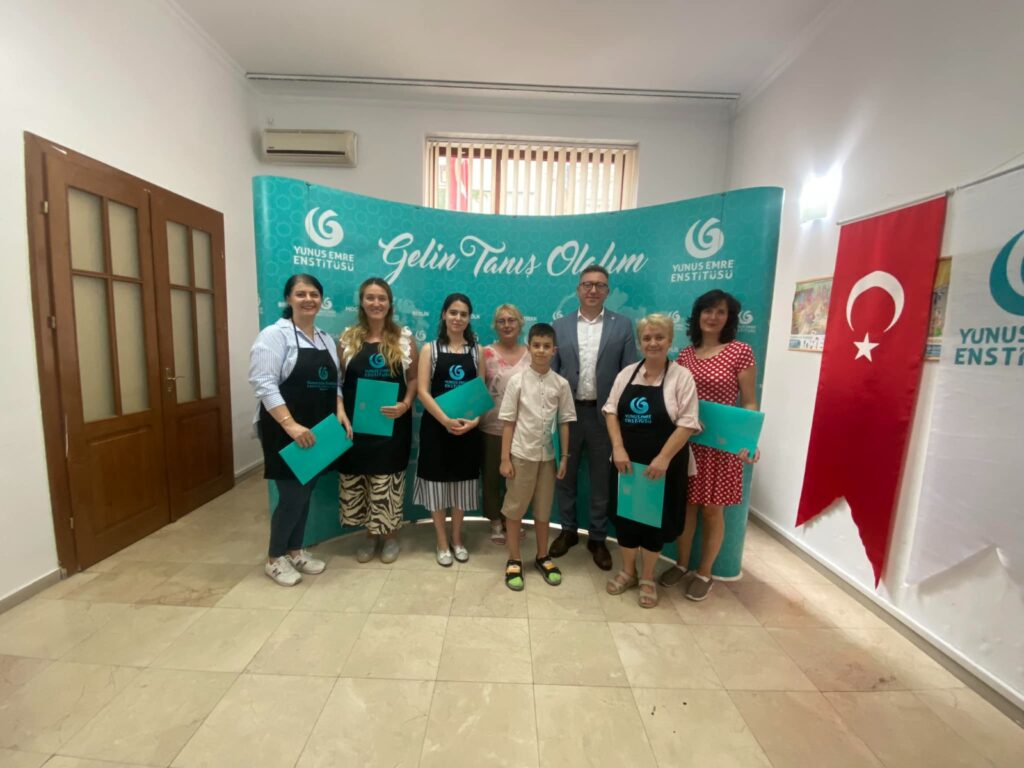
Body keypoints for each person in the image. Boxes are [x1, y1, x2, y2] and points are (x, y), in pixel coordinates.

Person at [249, 274, 353, 587]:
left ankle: (295, 550)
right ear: (289, 299)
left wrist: (340, 411)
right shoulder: (274, 335)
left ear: (321, 300)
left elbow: (335, 383)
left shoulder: (325, 339)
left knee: (305, 494)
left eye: (314, 294)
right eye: (301, 294)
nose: (308, 299)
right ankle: (274, 558)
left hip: (318, 430)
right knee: (292, 496)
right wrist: (290, 425)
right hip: (284, 430)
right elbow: (263, 383)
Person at [660, 289, 760, 601]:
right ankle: (681, 564)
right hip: (687, 443)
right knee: (686, 508)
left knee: (712, 512)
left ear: (729, 318)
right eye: (707, 311)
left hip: (721, 448)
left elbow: (749, 402)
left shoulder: (740, 352)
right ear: (698, 315)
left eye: (720, 312)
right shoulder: (685, 355)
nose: (713, 317)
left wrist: (749, 441)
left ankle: (705, 572)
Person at [603, 314, 700, 607]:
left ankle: (647, 577)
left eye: (659, 337)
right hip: (627, 464)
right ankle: (628, 571)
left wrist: (663, 458)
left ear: (670, 341)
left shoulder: (682, 377)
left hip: (664, 467)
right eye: (647, 338)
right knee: (627, 521)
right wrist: (618, 448)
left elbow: (688, 423)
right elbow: (611, 411)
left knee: (654, 525)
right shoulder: (626, 374)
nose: (653, 343)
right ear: (640, 342)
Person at [549, 265, 639, 570]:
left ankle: (597, 538)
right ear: (578, 289)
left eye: (599, 285)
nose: (592, 290)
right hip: (568, 415)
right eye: (587, 284)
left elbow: (628, 375)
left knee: (601, 481)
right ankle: (568, 531)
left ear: (607, 291)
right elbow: (552, 374)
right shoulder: (559, 325)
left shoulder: (622, 326)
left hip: (604, 417)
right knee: (565, 476)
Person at [337, 278, 417, 564]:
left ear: (389, 303)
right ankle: (370, 535)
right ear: (361, 302)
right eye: (370, 298)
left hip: (392, 424)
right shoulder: (348, 339)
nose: (376, 303)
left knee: (388, 481)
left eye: (381, 298)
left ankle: (391, 535)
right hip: (356, 426)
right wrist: (340, 410)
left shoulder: (404, 339)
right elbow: (338, 382)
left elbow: (414, 379)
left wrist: (405, 404)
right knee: (360, 480)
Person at [497, 323, 576, 591]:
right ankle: (514, 559)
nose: (541, 350)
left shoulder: (561, 384)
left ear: (555, 350)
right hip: (521, 454)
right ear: (528, 348)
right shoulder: (517, 382)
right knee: (515, 509)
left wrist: (564, 457)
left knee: (543, 510)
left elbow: (564, 422)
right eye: (536, 345)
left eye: (546, 346)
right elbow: (508, 422)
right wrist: (505, 458)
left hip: (548, 458)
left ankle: (542, 556)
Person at [413, 293, 485, 566]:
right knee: (437, 485)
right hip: (436, 429)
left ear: (469, 318)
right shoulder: (429, 349)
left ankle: (457, 538)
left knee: (461, 486)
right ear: (444, 315)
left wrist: (474, 421)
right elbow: (422, 391)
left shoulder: (477, 351)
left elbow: (480, 392)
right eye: (453, 312)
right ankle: (441, 541)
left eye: (463, 314)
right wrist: (444, 420)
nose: (458, 318)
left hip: (467, 431)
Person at [480, 304, 530, 543]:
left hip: (523, 429)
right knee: (491, 478)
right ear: (495, 325)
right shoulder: (485, 353)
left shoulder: (532, 353)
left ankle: (512, 520)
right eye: (502, 321)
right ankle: (495, 522)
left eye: (512, 320)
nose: (507, 325)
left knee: (517, 480)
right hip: (491, 426)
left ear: (520, 324)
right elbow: (479, 389)